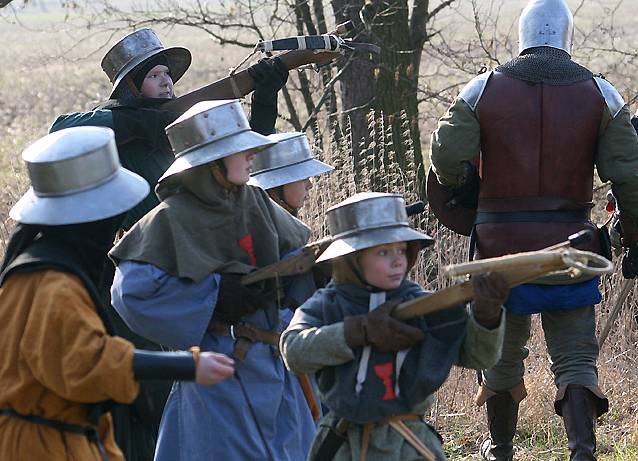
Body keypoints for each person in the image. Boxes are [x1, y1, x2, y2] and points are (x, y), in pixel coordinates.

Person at [50, 28, 288, 461]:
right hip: (138, 274)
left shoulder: (176, 132)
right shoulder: (113, 129)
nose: (167, 82)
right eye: (155, 75)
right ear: (130, 87)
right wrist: (128, 118)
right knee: (141, 397)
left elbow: (237, 159)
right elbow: (58, 131)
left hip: (193, 271)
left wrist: (265, 96)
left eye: (167, 74)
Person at [428, 0, 638, 459]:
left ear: (522, 35)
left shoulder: (482, 89)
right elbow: (630, 177)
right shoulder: (602, 94)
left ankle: (500, 447)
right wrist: (633, 238)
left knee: (502, 356)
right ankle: (582, 450)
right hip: (571, 248)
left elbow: (445, 156)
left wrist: (464, 186)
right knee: (577, 358)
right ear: (566, 37)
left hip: (501, 250)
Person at [0, 126, 234, 461]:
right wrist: (189, 365)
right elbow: (85, 361)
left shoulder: (45, 267)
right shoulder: (51, 282)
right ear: (90, 217)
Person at [109, 99, 317, 460]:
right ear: (211, 161)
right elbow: (131, 294)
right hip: (218, 372)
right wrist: (214, 296)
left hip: (277, 369)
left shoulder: (255, 201)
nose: (252, 154)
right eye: (239, 149)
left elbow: (294, 262)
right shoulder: (170, 219)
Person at [280, 192, 508, 461]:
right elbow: (293, 350)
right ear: (353, 258)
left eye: (401, 249)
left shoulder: (424, 304)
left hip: (410, 446)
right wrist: (358, 331)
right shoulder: (327, 304)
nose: (398, 260)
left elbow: (478, 356)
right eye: (383, 252)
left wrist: (486, 314)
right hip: (345, 446)